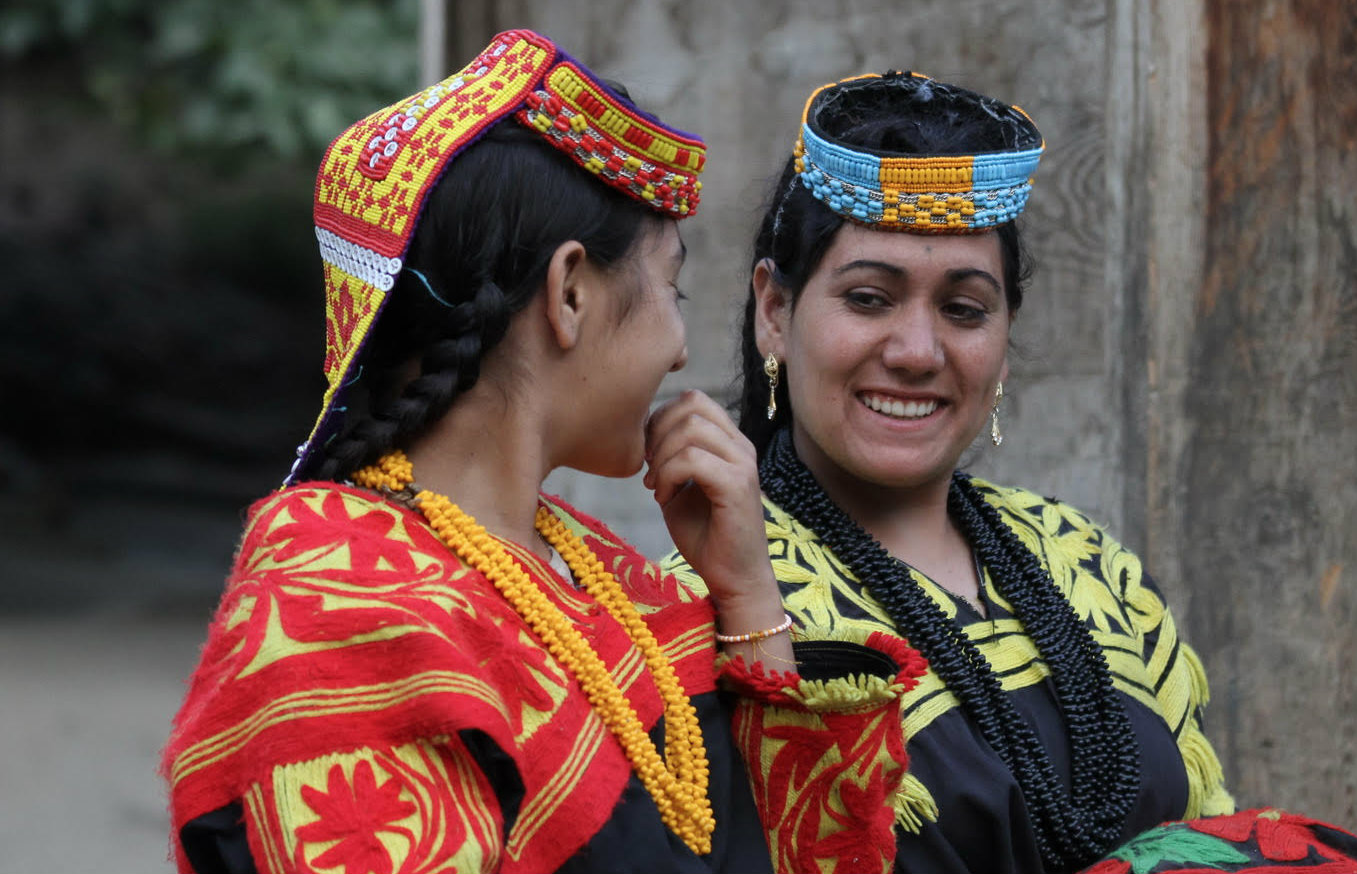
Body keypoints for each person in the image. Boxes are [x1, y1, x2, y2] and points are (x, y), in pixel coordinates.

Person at [161, 33, 922, 874]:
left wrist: (745, 597)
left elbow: (808, 856)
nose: (679, 353)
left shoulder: (596, 570)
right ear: (569, 293)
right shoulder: (334, 597)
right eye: (671, 289)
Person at [665, 72, 1357, 874]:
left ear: (1005, 336)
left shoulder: (1086, 563)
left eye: (963, 309)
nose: (916, 352)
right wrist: (754, 616)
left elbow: (1209, 842)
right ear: (774, 312)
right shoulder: (703, 597)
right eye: (870, 298)